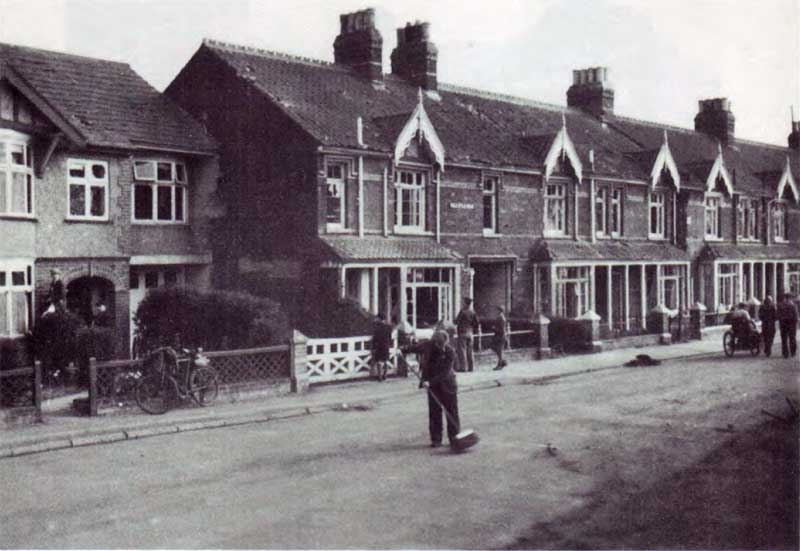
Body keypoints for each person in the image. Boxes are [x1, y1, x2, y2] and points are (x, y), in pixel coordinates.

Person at [402, 330, 460, 448]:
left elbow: (445, 372)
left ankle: (454, 438)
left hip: (448, 384)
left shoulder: (450, 352)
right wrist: (403, 349)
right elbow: (413, 348)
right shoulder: (427, 345)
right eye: (439, 344)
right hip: (432, 385)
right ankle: (436, 439)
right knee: (434, 412)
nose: (441, 347)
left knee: (451, 411)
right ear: (434, 341)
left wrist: (430, 382)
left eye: (443, 344)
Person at [454, 297, 479, 372]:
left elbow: (456, 322)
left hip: (462, 333)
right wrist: (471, 327)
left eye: (463, 302)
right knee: (470, 351)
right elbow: (476, 323)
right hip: (470, 333)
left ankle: (463, 368)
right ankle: (471, 368)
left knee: (462, 351)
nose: (462, 303)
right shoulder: (473, 312)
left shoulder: (463, 311)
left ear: (465, 303)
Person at [370, 313, 393, 382]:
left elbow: (375, 338)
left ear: (379, 319)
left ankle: (379, 376)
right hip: (386, 345)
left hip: (379, 346)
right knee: (386, 360)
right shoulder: (389, 327)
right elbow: (390, 337)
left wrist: (373, 347)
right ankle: (385, 375)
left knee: (379, 361)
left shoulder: (377, 327)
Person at [777, 293, 798, 359]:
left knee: (784, 339)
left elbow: (778, 315)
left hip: (783, 324)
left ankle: (785, 353)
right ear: (790, 297)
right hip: (791, 324)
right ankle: (793, 352)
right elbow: (796, 315)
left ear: (785, 298)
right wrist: (796, 323)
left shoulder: (780, 305)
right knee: (792, 338)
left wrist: (781, 320)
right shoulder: (793, 305)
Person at [492, 306, 508, 371]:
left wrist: (494, 328)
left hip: (500, 336)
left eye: (497, 310)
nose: (496, 311)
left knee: (499, 351)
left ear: (499, 311)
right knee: (497, 350)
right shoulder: (501, 317)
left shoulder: (501, 318)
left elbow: (501, 329)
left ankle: (500, 365)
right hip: (500, 336)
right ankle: (503, 362)